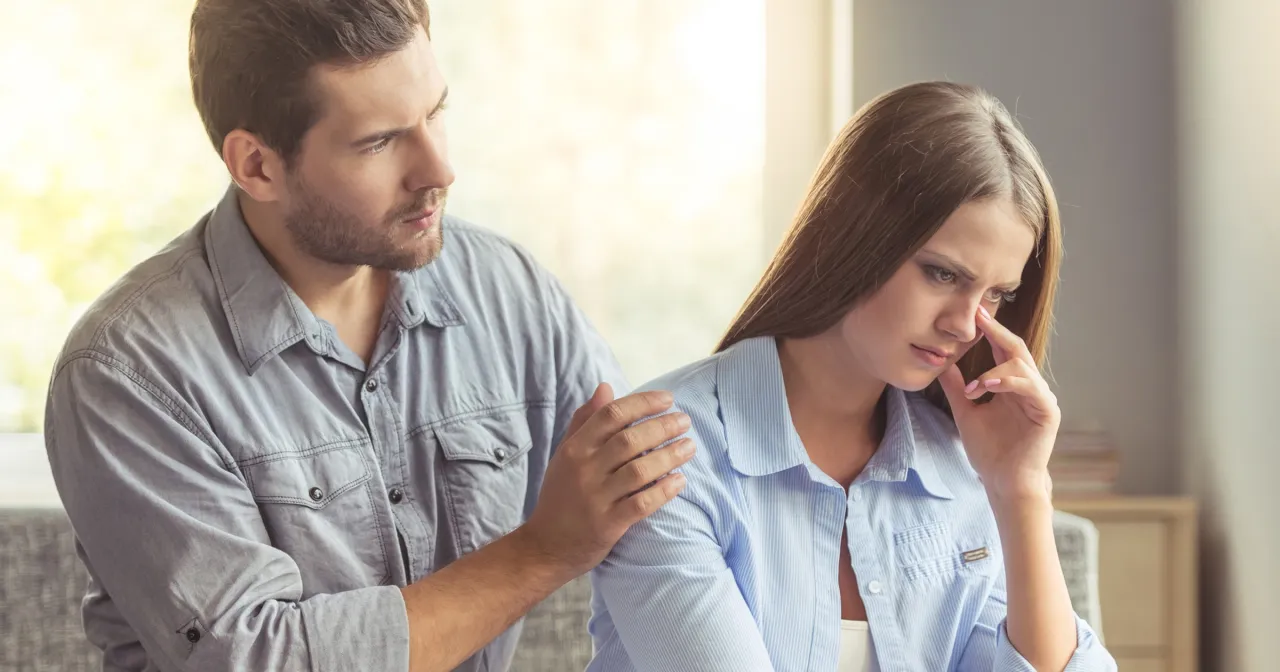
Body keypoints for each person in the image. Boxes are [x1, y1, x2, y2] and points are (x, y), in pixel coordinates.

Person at [42, 1, 697, 670]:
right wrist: (544, 549)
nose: (439, 171)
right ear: (257, 166)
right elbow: (260, 658)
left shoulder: (510, 295)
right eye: (380, 141)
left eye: (436, 112)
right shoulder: (128, 374)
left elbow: (664, 509)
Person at [587, 81, 1119, 671]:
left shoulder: (962, 466)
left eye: (996, 295)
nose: (966, 326)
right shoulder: (665, 458)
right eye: (943, 275)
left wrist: (1021, 489)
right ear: (856, 237)